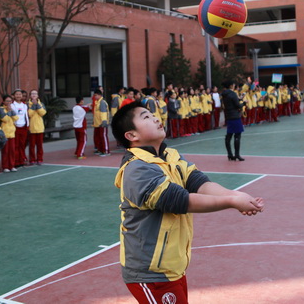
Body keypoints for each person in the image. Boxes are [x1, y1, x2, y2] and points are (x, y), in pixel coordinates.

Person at [111, 101, 264, 303]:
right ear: (132, 135)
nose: (156, 118)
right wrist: (231, 201)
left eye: (153, 114)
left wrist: (235, 195)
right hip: (149, 272)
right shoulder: (137, 169)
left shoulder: (170, 156)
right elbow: (181, 201)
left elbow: (198, 182)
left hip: (171, 267)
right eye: (146, 117)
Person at [221, 80, 245, 161]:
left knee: (229, 136)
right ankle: (237, 154)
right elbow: (237, 105)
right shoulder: (233, 94)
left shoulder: (224, 94)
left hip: (228, 116)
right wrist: (243, 103)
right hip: (235, 116)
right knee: (237, 135)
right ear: (231, 85)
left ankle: (230, 154)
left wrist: (239, 99)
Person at [11, 89, 29, 168]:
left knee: (22, 144)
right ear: (14, 96)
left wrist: (27, 125)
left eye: (20, 94)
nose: (18, 96)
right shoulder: (12, 105)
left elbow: (26, 116)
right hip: (15, 127)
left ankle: (22, 160)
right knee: (16, 145)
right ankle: (16, 161)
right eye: (17, 94)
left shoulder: (24, 105)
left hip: (23, 127)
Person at [27, 90, 46, 165]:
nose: (34, 95)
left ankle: (39, 159)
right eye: (32, 94)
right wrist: (33, 106)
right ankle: (32, 159)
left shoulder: (41, 104)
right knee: (32, 145)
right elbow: (29, 114)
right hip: (31, 128)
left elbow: (42, 113)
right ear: (30, 96)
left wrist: (37, 105)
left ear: (38, 95)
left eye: (35, 93)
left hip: (40, 127)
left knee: (39, 145)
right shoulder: (27, 104)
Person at [0, 95, 18, 172]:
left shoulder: (11, 109)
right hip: (5, 133)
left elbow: (16, 118)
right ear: (3, 101)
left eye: (10, 101)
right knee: (5, 151)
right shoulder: (1, 109)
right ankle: (5, 166)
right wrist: (8, 111)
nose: (9, 102)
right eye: (7, 101)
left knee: (12, 150)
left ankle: (12, 165)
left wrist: (10, 111)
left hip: (12, 133)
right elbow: (5, 119)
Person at [92, 89, 110, 156]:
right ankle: (101, 150)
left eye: (96, 95)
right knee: (99, 137)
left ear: (99, 95)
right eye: (94, 95)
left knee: (103, 137)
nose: (95, 97)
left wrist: (104, 122)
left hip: (102, 123)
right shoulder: (97, 102)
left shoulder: (102, 102)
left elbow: (103, 113)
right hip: (98, 123)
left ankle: (106, 151)